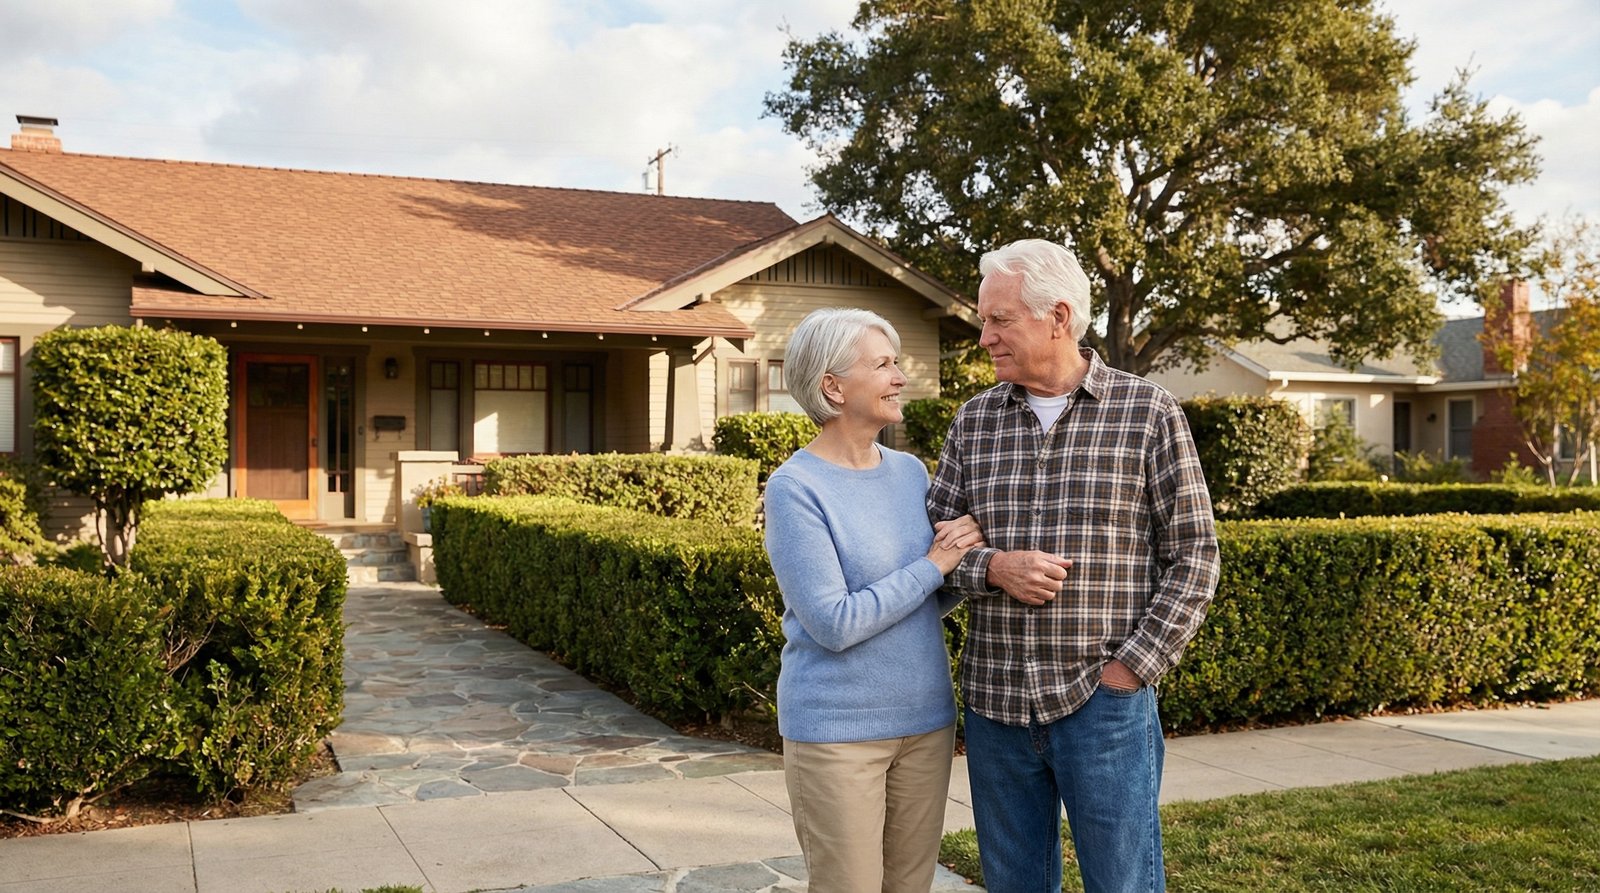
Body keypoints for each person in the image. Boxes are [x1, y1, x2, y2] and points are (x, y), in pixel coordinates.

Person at [927, 239, 1220, 893]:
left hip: (1104, 705)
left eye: (999, 319)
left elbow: (1195, 553)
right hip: (996, 705)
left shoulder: (1147, 413)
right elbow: (934, 550)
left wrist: (1131, 670)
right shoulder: (973, 424)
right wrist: (992, 566)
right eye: (985, 320)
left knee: (1124, 883)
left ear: (1058, 316)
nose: (984, 337)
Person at [763, 307, 985, 893]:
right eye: (883, 364)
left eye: (897, 362)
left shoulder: (912, 473)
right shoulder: (795, 488)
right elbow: (835, 623)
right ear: (832, 387)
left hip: (926, 723)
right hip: (837, 734)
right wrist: (934, 565)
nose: (899, 376)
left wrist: (962, 568)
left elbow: (919, 599)